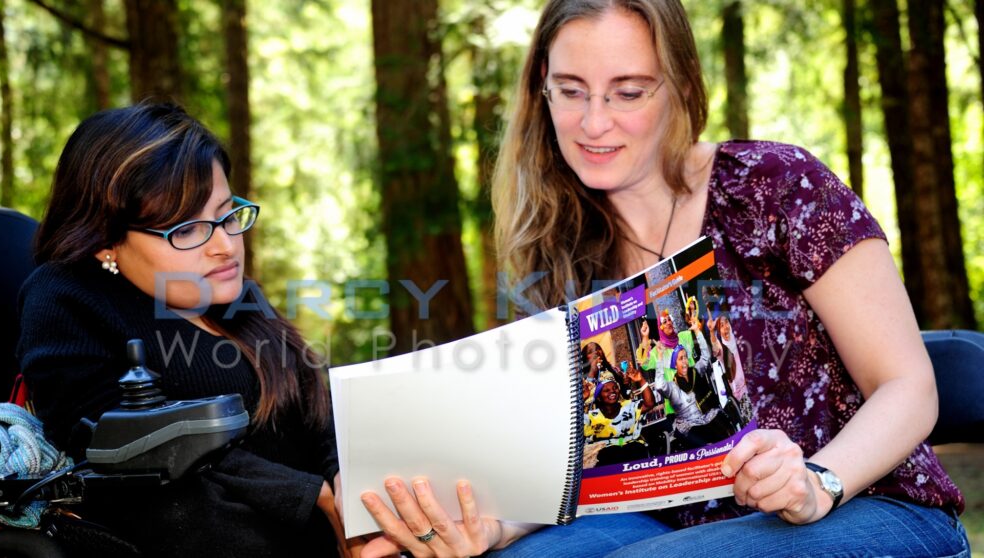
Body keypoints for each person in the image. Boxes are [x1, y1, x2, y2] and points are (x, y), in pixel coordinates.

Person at [359, 1, 970, 557]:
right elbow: (571, 463)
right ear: (540, 94)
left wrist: (817, 481)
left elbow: (908, 385)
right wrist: (490, 526)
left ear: (679, 87)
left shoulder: (773, 185)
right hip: (671, 524)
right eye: (571, 91)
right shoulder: (559, 246)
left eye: (628, 92)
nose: (594, 123)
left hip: (871, 505)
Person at [17, 103, 350, 557]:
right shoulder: (67, 298)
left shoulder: (236, 297)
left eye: (228, 214)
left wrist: (350, 489)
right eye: (188, 228)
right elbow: (125, 454)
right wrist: (309, 496)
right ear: (104, 240)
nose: (225, 245)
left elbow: (318, 411)